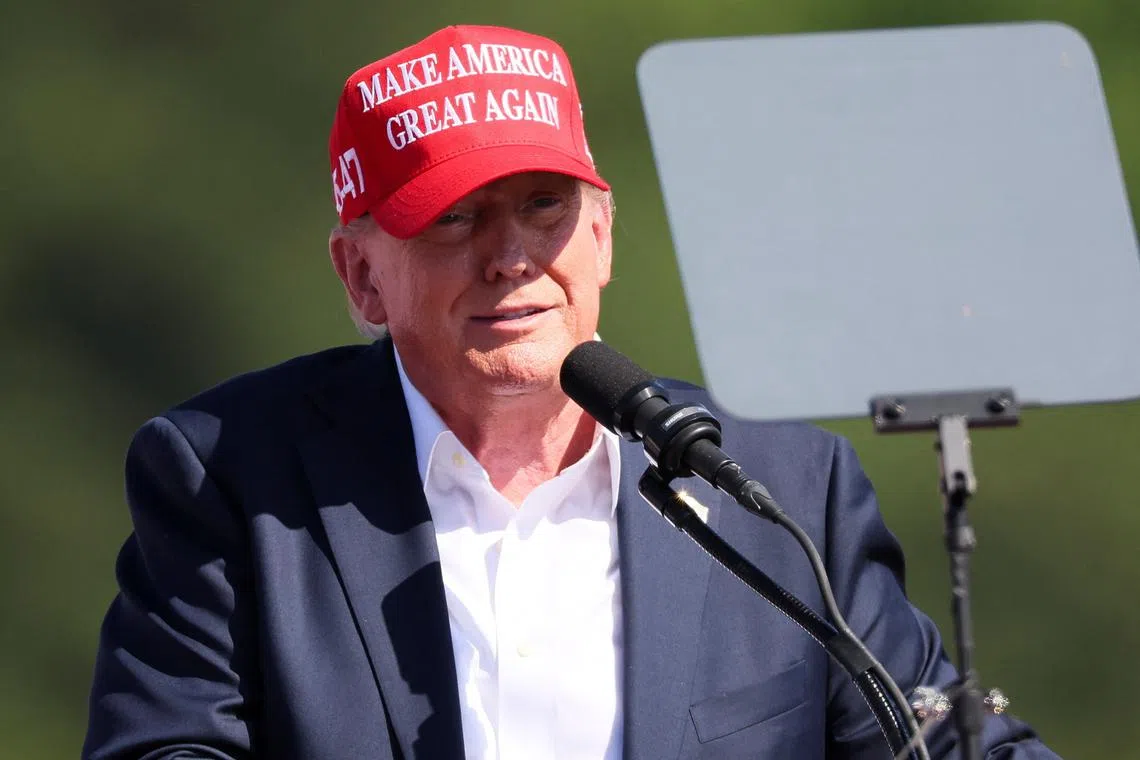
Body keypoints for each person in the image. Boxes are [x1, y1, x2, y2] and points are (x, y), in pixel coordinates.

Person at [83, 24, 1061, 760]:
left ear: (601, 235)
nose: (510, 258)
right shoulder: (228, 473)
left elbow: (934, 733)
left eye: (545, 208)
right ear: (362, 277)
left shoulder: (780, 486)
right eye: (453, 219)